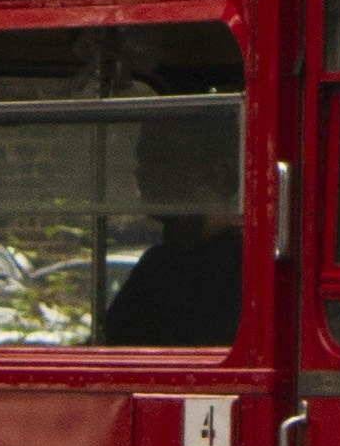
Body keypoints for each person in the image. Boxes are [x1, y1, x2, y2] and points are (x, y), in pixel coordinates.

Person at [98, 106, 245, 348]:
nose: (143, 172)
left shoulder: (245, 267)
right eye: (142, 159)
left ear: (218, 172)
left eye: (162, 159)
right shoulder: (158, 265)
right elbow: (111, 347)